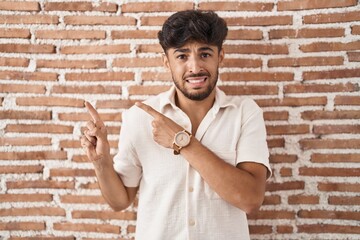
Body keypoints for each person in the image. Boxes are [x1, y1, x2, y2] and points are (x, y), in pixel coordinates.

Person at [80, 10, 271, 240]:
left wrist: (183, 142)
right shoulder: (138, 118)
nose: (195, 67)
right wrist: (101, 163)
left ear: (220, 57)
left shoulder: (244, 113)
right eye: (182, 56)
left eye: (205, 54)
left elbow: (250, 199)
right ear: (166, 62)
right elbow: (120, 201)